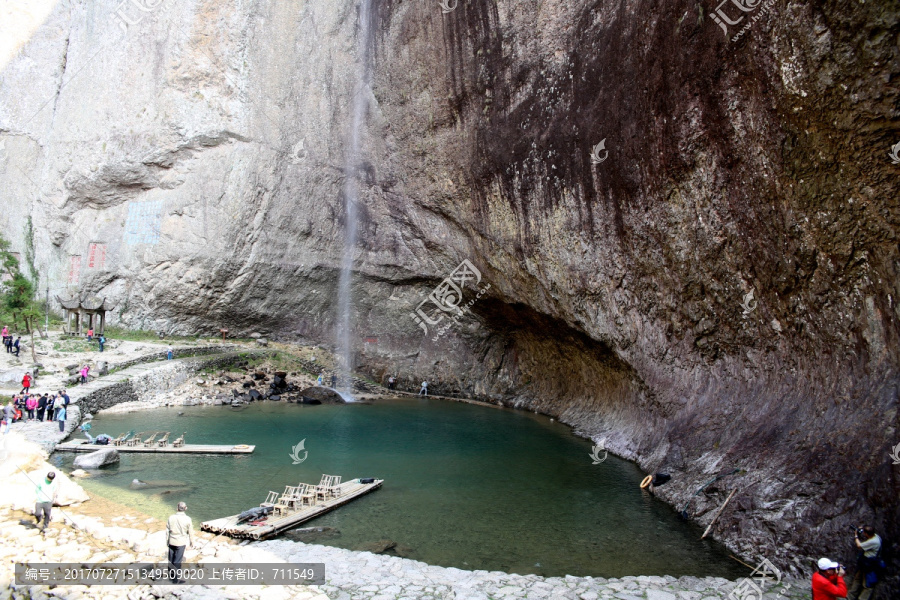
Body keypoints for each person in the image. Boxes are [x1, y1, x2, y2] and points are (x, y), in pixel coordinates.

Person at [849, 526, 883, 600]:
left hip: (869, 564)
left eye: (864, 532)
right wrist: (863, 527)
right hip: (864, 562)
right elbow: (869, 530)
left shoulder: (873, 541)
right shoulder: (876, 536)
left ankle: (862, 598)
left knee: (867, 584)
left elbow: (859, 545)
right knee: (857, 578)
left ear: (866, 534)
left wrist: (856, 536)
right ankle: (850, 597)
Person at [166, 502, 194, 583]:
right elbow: (190, 532)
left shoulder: (171, 517)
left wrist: (167, 541)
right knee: (177, 561)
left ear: (177, 508)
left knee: (171, 559)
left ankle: (171, 576)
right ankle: (175, 580)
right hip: (181, 542)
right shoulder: (188, 519)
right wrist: (192, 542)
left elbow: (167, 531)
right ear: (185, 508)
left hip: (171, 541)